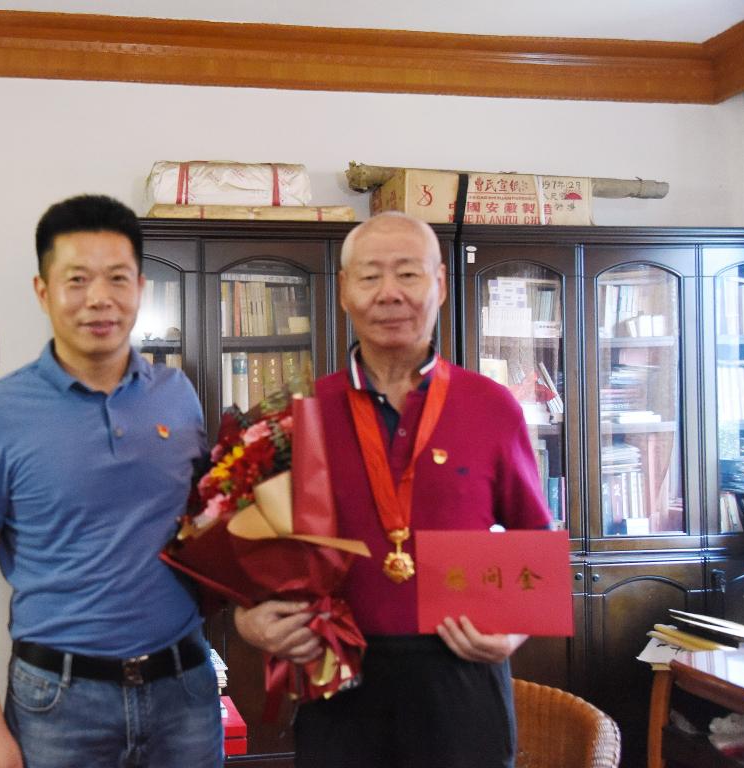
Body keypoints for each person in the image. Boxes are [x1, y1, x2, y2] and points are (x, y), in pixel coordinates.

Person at [234, 211, 552, 768]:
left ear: (440, 285)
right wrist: (249, 620)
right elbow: (255, 553)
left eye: (407, 274)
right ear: (343, 291)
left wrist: (515, 629)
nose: (389, 294)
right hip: (340, 671)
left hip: (460, 672)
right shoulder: (300, 414)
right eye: (370, 276)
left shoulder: (490, 406)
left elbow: (538, 541)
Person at [0, 194, 222, 768]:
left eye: (117, 278)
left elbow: (210, 527)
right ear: (42, 291)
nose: (99, 298)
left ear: (140, 288)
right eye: (77, 280)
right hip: (59, 701)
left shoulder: (178, 394)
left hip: (185, 689)